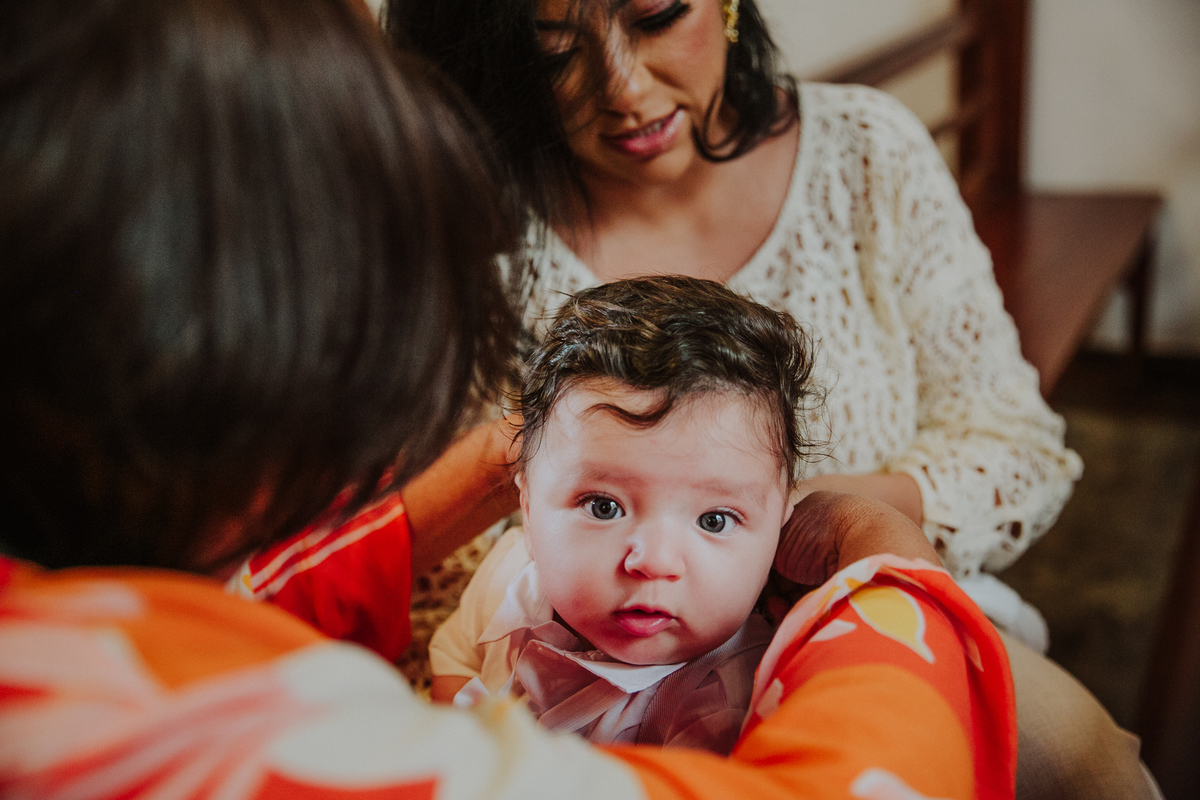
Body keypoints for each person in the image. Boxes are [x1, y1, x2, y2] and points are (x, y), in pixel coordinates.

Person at [0, 0, 1017, 798]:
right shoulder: (258, 730)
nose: (623, 89)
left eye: (657, 13)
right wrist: (889, 575)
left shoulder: (75, 624)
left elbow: (234, 607)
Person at [380, 0, 1161, 797]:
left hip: (853, 597)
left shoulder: (867, 155)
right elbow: (429, 565)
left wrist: (795, 528)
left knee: (1089, 766)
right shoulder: (468, 235)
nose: (625, 89)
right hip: (569, 648)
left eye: (656, 15)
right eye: (554, 50)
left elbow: (1015, 443)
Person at [429, 276, 815, 754]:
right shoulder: (506, 579)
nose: (652, 562)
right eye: (603, 507)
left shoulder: (734, 701)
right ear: (527, 508)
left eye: (713, 520)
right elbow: (453, 653)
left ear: (780, 525)